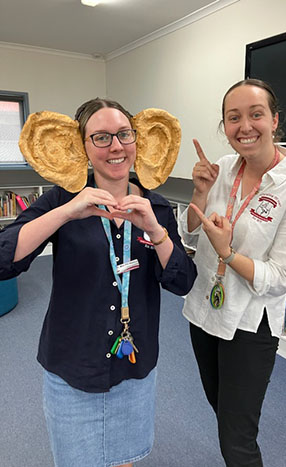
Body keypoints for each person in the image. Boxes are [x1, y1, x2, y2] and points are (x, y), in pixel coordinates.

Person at [0, 98, 197, 467]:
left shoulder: (157, 208)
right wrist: (67, 212)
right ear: (83, 147)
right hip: (74, 362)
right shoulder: (62, 199)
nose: (116, 146)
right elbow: (3, 260)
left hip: (133, 365)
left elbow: (183, 280)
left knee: (125, 460)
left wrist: (155, 231)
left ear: (137, 141)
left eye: (124, 134)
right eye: (101, 137)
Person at [179, 79, 286, 466]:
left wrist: (228, 251)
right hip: (206, 308)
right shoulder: (222, 168)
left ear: (274, 120)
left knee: (237, 439)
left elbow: (284, 278)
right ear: (224, 126)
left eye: (256, 114)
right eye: (233, 117)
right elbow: (189, 230)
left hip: (249, 323)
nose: (245, 126)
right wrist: (200, 194)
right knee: (220, 408)